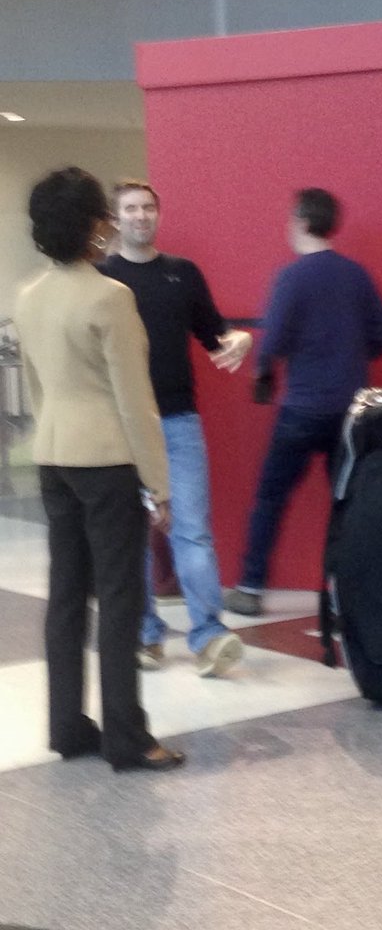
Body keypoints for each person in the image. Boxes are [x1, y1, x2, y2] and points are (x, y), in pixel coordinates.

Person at [14, 166, 184, 772]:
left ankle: (67, 727)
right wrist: (159, 486)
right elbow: (134, 401)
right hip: (108, 461)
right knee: (118, 597)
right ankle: (128, 739)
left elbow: (36, 386)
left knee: (65, 596)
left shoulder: (28, 296)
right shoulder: (111, 297)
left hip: (54, 456)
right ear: (94, 225)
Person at [100, 180, 250, 677]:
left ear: (157, 216)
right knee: (133, 535)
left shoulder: (182, 275)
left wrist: (240, 341)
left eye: (148, 208)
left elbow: (215, 337)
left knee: (192, 532)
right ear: (116, 220)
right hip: (121, 426)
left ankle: (208, 634)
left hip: (179, 421)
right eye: (131, 209)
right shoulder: (102, 280)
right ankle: (145, 635)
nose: (141, 216)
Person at [225, 188, 382, 617]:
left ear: (298, 221)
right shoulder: (356, 276)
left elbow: (274, 340)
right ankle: (349, 591)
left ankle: (250, 586)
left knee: (270, 498)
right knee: (349, 502)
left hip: (300, 409)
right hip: (350, 409)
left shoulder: (291, 277)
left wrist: (263, 375)